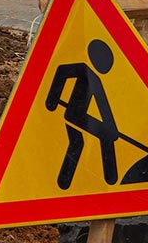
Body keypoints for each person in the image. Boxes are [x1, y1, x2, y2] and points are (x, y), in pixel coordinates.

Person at [45, 39, 120, 189]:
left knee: (82, 141)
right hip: (74, 113)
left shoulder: (96, 79)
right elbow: (61, 72)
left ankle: (65, 183)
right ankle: (110, 178)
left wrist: (112, 128)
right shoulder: (82, 69)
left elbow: (103, 106)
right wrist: (51, 100)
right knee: (91, 140)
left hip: (78, 115)